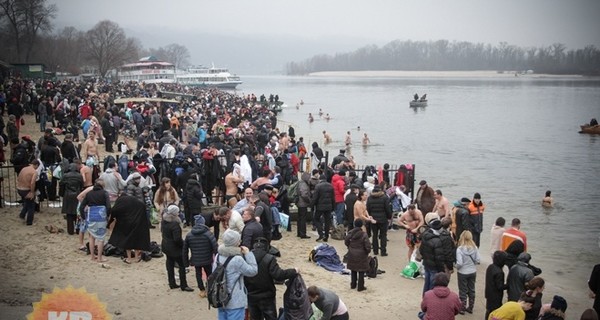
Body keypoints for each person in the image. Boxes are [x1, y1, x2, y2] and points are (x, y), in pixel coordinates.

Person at [245, 237, 298, 320]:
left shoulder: (246, 258)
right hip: (267, 296)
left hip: (251, 295)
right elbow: (278, 275)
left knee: (254, 317)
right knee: (271, 317)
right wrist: (293, 271)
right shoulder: (269, 258)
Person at [214, 229, 258, 319]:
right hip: (234, 299)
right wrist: (248, 254)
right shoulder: (237, 259)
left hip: (220, 296)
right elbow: (253, 271)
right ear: (235, 242)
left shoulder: (218, 256)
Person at [419, 212, 456, 294]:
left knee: (427, 283)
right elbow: (447, 253)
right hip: (437, 266)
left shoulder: (425, 235)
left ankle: (425, 300)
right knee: (434, 285)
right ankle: (432, 302)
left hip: (427, 264)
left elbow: (421, 249)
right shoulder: (445, 237)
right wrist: (450, 267)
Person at [109, 194, 151, 264]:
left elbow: (114, 210)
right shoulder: (136, 200)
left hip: (127, 222)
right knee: (137, 240)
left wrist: (110, 221)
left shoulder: (121, 201)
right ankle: (137, 258)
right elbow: (143, 207)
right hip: (138, 222)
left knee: (127, 240)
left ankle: (129, 258)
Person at [161, 204, 194, 292]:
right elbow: (177, 239)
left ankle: (172, 283)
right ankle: (184, 285)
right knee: (182, 265)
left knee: (170, 263)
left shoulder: (164, 221)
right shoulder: (175, 224)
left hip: (166, 245)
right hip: (174, 248)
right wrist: (183, 245)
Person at [183, 215, 217, 297]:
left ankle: (201, 290)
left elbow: (185, 249)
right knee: (209, 273)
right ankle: (209, 288)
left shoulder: (189, 235)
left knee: (198, 274)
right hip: (207, 258)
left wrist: (186, 262)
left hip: (196, 258)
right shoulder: (208, 234)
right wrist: (217, 258)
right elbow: (215, 246)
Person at [79, 180, 111, 264]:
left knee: (91, 237)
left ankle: (92, 256)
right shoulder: (104, 193)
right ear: (102, 186)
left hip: (91, 216)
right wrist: (107, 216)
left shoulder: (89, 194)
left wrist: (83, 217)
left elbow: (81, 206)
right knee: (101, 238)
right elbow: (108, 206)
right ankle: (99, 257)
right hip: (101, 216)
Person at [456, 230, 481, 314]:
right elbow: (478, 260)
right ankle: (470, 307)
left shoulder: (460, 249)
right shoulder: (475, 248)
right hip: (472, 271)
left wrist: (457, 267)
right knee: (471, 289)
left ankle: (462, 308)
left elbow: (459, 263)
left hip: (463, 272)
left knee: (463, 290)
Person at [344, 219, 371, 292]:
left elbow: (346, 241)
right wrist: (367, 251)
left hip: (352, 253)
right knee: (361, 271)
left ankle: (353, 284)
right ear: (361, 225)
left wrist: (350, 247)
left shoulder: (350, 233)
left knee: (353, 270)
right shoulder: (364, 234)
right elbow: (367, 245)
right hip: (362, 254)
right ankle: (360, 286)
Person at [366, 185, 392, 256]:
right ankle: (383, 251)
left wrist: (370, 217)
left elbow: (368, 209)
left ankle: (375, 251)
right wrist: (389, 217)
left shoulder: (369, 198)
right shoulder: (384, 197)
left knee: (374, 235)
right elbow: (387, 209)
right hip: (383, 219)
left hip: (373, 219)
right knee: (383, 235)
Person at [60, 163, 83, 234]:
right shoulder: (79, 176)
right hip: (77, 194)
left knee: (69, 213)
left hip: (68, 195)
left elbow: (61, 185)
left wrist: (61, 194)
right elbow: (81, 185)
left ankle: (70, 231)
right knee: (77, 213)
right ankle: (78, 230)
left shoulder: (65, 176)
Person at [485, 251, 508, 320]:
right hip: (496, 296)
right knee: (495, 312)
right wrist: (508, 285)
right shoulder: (499, 272)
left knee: (489, 310)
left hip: (489, 293)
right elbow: (500, 286)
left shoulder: (490, 267)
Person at [16, 159, 40, 225]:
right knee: (31, 206)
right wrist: (32, 192)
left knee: (27, 202)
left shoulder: (24, 169)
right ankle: (29, 222)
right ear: (36, 165)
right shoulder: (34, 172)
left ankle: (22, 215)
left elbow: (18, 178)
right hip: (26, 190)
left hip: (19, 188)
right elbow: (32, 183)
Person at [311, 176, 335, 242]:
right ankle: (326, 236)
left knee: (316, 218)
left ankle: (321, 233)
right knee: (327, 221)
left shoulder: (318, 186)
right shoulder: (331, 186)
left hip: (320, 206)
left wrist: (312, 205)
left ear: (320, 179)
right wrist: (333, 206)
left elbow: (315, 197)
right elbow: (333, 198)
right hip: (328, 206)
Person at [296, 172, 312, 239]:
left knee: (300, 218)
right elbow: (304, 194)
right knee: (302, 219)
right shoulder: (304, 184)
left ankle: (299, 232)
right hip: (302, 203)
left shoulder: (300, 183)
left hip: (299, 203)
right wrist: (309, 201)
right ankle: (303, 233)